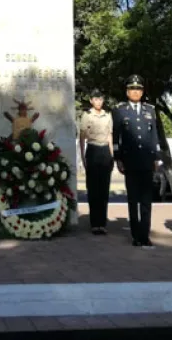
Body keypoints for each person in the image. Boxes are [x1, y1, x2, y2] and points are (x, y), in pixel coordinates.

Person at [113, 74, 161, 248]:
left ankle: (145, 235)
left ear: (142, 92)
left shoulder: (150, 109)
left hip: (147, 160)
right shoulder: (120, 110)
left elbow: (154, 135)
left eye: (138, 89)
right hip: (130, 160)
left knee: (147, 200)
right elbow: (116, 136)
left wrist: (156, 157)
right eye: (132, 89)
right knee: (133, 200)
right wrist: (118, 159)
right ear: (127, 92)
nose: (135, 92)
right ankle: (135, 235)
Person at [79, 89, 114, 235]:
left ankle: (102, 223)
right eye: (96, 99)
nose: (98, 102)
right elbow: (81, 138)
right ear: (91, 101)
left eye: (100, 99)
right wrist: (82, 157)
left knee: (104, 188)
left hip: (105, 150)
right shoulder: (86, 115)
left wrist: (112, 155)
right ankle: (94, 223)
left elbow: (110, 136)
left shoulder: (108, 115)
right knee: (93, 188)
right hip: (92, 150)